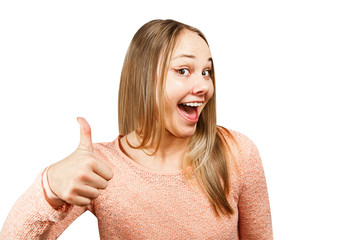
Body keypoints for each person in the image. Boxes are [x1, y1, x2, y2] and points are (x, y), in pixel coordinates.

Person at [0, 19, 273, 239]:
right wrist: (49, 187)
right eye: (183, 70)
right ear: (144, 80)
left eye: (206, 72)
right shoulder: (101, 167)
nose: (204, 87)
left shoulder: (237, 153)